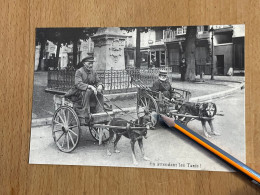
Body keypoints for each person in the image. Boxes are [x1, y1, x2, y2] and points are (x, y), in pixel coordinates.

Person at [65, 56, 104, 124]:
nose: (91, 65)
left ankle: (99, 111)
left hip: (89, 92)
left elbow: (98, 81)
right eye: (89, 63)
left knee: (100, 93)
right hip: (78, 93)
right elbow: (78, 84)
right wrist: (89, 86)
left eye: (92, 63)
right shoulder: (79, 71)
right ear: (84, 64)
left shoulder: (93, 72)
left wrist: (100, 85)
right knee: (88, 91)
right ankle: (86, 113)